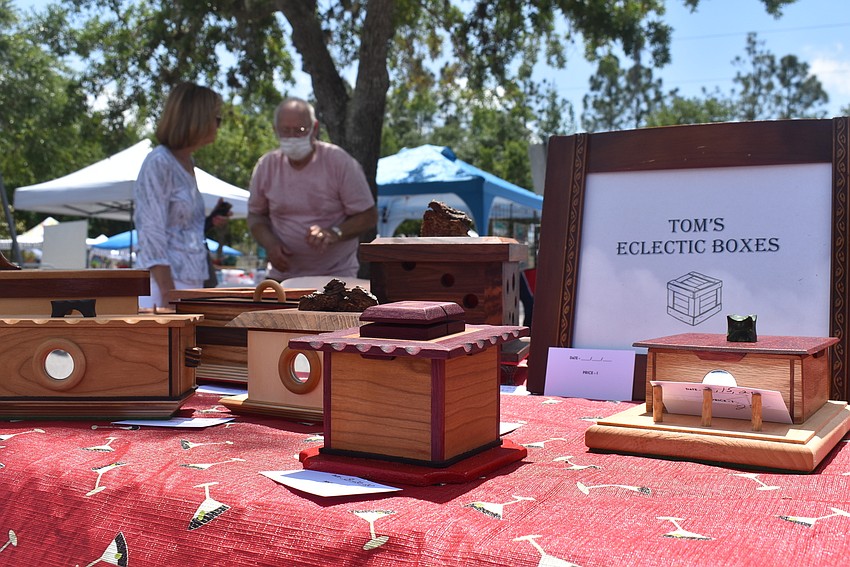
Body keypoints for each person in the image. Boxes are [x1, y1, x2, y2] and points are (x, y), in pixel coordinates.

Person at [247, 97, 377, 282]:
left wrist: (335, 232)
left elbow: (368, 216)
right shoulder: (266, 166)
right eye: (285, 131)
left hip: (336, 278)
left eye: (300, 131)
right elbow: (255, 216)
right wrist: (270, 244)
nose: (292, 137)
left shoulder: (339, 161)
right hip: (282, 278)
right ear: (275, 130)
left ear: (314, 129)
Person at [134, 82, 226, 309]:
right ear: (198, 119)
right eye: (216, 117)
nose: (219, 124)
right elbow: (151, 231)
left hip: (186, 285)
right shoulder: (160, 162)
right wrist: (168, 293)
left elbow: (180, 230)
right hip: (161, 288)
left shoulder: (186, 162)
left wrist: (208, 222)